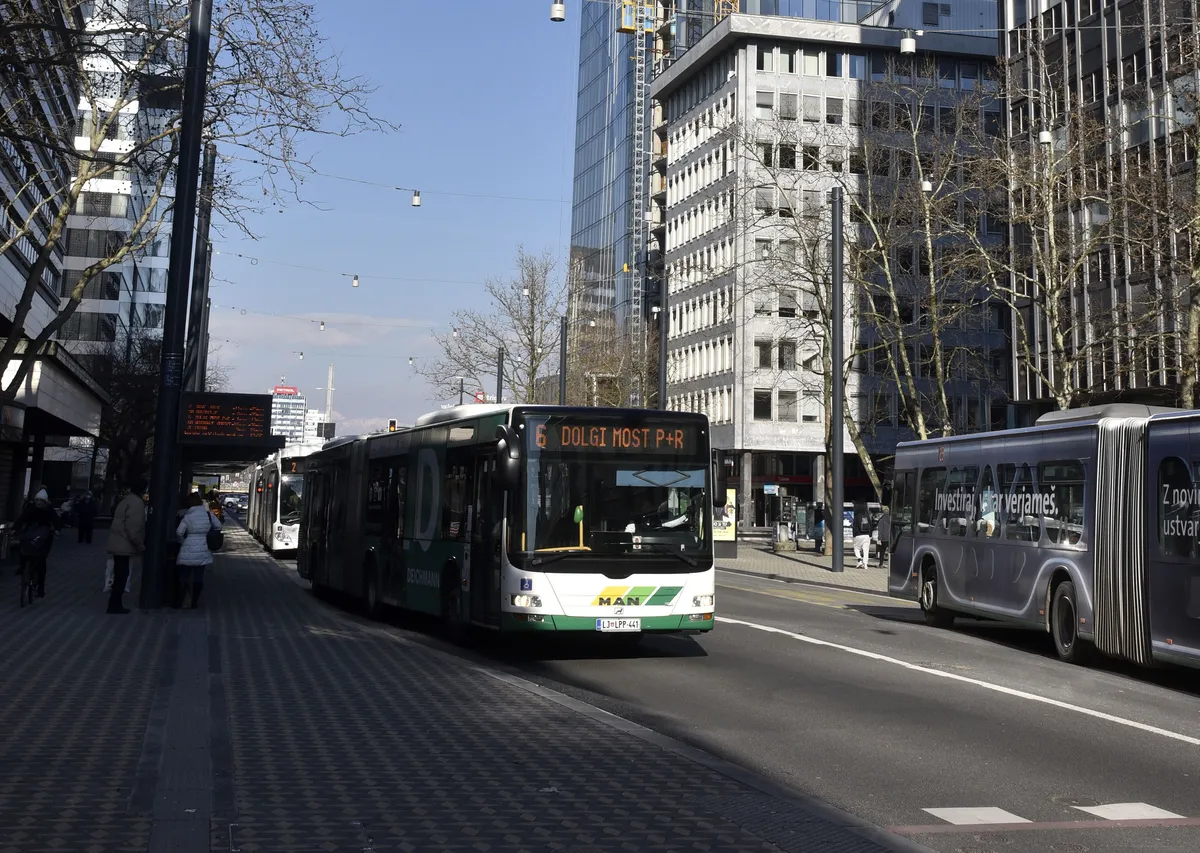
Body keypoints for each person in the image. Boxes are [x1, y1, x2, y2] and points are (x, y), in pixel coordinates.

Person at [106, 478, 147, 614]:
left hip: (117, 542)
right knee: (122, 576)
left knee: (119, 574)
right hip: (125, 544)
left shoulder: (125, 500)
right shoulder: (137, 503)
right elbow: (133, 528)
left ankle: (114, 604)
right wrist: (140, 544)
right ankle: (115, 605)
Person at [176, 491, 221, 609]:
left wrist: (183, 542)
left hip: (188, 545)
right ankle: (194, 602)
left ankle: (180, 600)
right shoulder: (208, 514)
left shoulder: (188, 516)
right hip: (203, 546)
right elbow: (218, 526)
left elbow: (179, 532)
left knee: (184, 575)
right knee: (198, 576)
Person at [16, 488, 60, 598]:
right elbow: (22, 519)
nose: (39, 503)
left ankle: (40, 587)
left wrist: (57, 530)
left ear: (45, 502)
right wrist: (15, 528)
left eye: (41, 501)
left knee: (41, 560)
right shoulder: (31, 509)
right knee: (23, 550)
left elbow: (56, 521)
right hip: (31, 533)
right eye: (37, 501)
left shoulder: (49, 510)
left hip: (44, 536)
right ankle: (22, 568)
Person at [851, 503, 873, 569]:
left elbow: (854, 527)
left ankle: (859, 559)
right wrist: (870, 535)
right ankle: (865, 564)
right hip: (866, 535)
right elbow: (871, 525)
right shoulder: (867, 516)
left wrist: (854, 535)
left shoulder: (856, 516)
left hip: (858, 535)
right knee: (866, 550)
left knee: (856, 548)